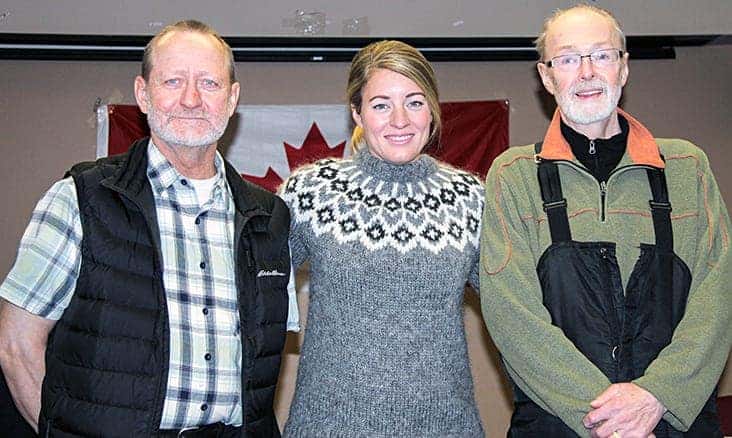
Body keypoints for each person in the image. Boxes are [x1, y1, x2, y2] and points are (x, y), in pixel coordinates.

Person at [0, 20, 293, 437]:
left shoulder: (269, 219)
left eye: (209, 83)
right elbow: (16, 344)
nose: (191, 99)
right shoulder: (79, 200)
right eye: (173, 80)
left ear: (232, 99)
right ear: (142, 93)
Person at [480, 4, 731, 437]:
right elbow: (512, 316)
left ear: (624, 68)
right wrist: (609, 421)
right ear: (546, 77)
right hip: (560, 426)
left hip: (669, 422)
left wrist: (657, 397)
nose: (587, 72)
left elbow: (718, 296)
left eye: (602, 55)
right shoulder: (514, 175)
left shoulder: (687, 166)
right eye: (569, 59)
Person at [279, 40, 485, 436]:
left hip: (445, 427)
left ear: (433, 110)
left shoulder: (470, 200)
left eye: (414, 101)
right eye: (380, 104)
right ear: (357, 112)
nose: (399, 120)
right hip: (327, 427)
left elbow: (515, 311)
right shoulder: (312, 193)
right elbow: (252, 298)